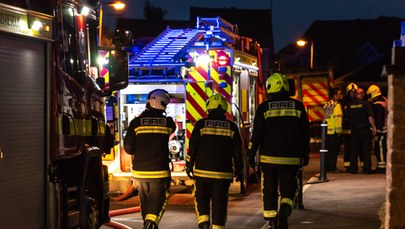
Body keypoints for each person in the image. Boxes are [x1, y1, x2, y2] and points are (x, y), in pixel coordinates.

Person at [247, 73, 310, 229]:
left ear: (270, 88)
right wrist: (305, 154)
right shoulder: (298, 106)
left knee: (268, 190)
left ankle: (272, 221)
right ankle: (284, 211)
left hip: (268, 160)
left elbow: (257, 136)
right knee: (289, 190)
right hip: (291, 159)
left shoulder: (263, 108)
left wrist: (250, 155)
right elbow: (305, 134)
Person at [186, 93, 243, 229]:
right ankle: (217, 226)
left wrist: (189, 165)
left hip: (202, 173)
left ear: (208, 109)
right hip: (222, 175)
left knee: (201, 199)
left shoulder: (201, 125)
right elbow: (237, 151)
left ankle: (204, 223)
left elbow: (192, 147)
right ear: (224, 109)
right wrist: (240, 169)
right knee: (220, 202)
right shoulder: (232, 127)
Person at [124, 89, 176, 229]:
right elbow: (173, 129)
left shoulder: (136, 122)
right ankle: (150, 225)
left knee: (146, 203)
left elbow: (128, 148)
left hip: (139, 174)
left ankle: (148, 225)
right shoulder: (168, 123)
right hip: (159, 173)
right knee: (159, 201)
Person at [345, 85, 377, 174]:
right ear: (362, 95)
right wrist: (374, 127)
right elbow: (370, 117)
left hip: (354, 131)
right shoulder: (366, 104)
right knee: (366, 150)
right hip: (364, 130)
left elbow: (346, 118)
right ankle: (367, 170)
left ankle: (353, 170)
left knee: (354, 150)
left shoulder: (349, 105)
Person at [367, 85, 388, 173]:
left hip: (382, 130)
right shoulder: (384, 100)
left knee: (380, 148)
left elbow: (379, 120)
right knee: (383, 148)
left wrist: (377, 133)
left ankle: (381, 168)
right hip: (386, 128)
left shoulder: (377, 105)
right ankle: (382, 167)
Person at [324, 87, 343, 173]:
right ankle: (332, 167)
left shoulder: (327, 104)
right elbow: (338, 118)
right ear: (334, 95)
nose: (340, 96)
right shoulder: (337, 105)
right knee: (334, 151)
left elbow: (327, 118)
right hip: (335, 131)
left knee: (328, 151)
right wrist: (339, 131)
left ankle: (327, 167)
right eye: (339, 94)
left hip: (328, 131)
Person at [341, 83, 357, 172]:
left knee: (355, 148)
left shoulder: (357, 101)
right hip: (347, 128)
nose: (353, 93)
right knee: (348, 148)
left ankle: (354, 165)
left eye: (354, 92)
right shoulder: (343, 102)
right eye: (351, 92)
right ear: (348, 92)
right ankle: (347, 166)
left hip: (355, 128)